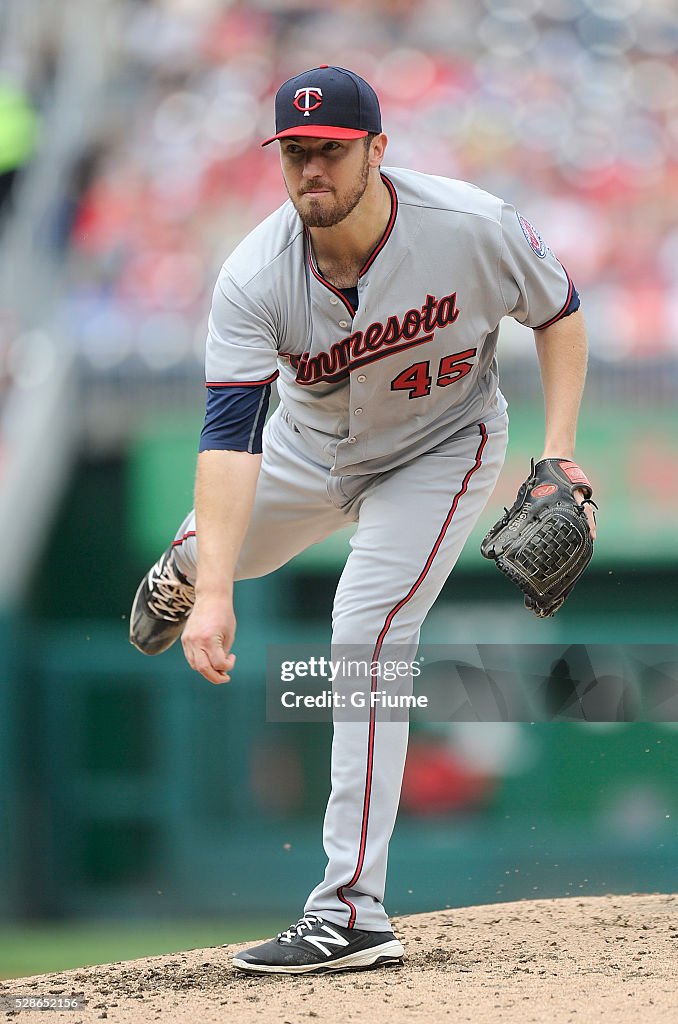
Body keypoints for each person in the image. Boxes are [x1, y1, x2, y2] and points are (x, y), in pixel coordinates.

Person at [129, 65, 595, 975]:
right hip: (307, 448)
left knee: (366, 633)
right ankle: (188, 565)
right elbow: (229, 439)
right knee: (228, 558)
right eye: (296, 152)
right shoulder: (253, 275)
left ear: (378, 150)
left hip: (442, 444)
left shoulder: (470, 225)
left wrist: (560, 450)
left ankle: (350, 910)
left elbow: (561, 309)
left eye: (332, 152)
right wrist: (216, 591)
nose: (312, 169)